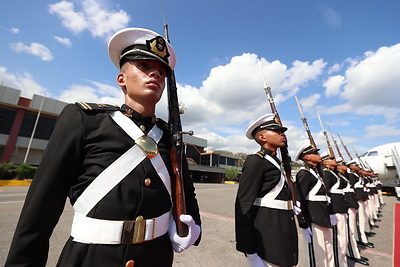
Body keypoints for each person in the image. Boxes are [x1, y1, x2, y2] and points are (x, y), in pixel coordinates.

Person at [6, 27, 201, 267]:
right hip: (91, 258)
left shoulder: (170, 138)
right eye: (143, 67)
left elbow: (185, 189)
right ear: (121, 79)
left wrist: (192, 225)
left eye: (161, 72)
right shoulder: (84, 119)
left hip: (157, 257)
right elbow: (40, 208)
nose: (156, 75)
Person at [235, 114, 298, 267]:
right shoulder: (256, 161)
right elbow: (243, 205)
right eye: (277, 131)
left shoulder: (276, 161)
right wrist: (249, 251)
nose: (282, 134)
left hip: (282, 233)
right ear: (262, 137)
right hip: (268, 240)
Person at [295, 143, 335, 267]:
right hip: (313, 217)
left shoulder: (316, 173)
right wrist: (303, 223)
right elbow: (299, 199)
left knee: (328, 250)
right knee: (318, 254)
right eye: (315, 153)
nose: (319, 155)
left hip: (322, 215)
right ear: (307, 157)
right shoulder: (304, 173)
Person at [320, 154, 348, 267]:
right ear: (325, 162)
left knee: (343, 239)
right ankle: (337, 264)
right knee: (338, 240)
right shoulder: (327, 174)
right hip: (335, 209)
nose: (334, 160)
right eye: (331, 159)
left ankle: (342, 263)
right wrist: (330, 211)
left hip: (340, 208)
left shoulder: (333, 173)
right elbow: (325, 192)